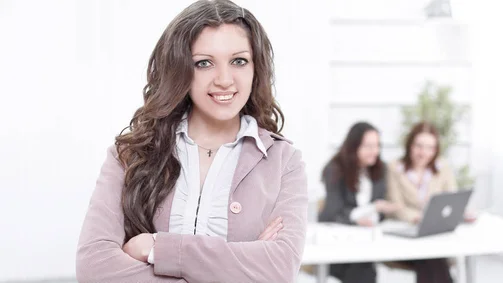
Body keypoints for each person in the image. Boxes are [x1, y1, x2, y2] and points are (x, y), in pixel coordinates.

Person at [76, 1, 308, 282]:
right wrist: (239, 265)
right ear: (180, 69)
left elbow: (279, 269)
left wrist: (158, 249)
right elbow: (95, 267)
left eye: (238, 60)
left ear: (255, 68)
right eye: (204, 63)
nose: (224, 80)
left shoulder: (284, 161)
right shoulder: (129, 154)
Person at [318, 122, 398, 283]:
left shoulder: (379, 169)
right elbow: (332, 212)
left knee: (365, 266)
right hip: (339, 243)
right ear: (354, 147)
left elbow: (380, 213)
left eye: (377, 146)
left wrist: (377, 213)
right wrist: (371, 210)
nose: (374, 151)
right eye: (368, 146)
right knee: (362, 269)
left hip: (368, 242)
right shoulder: (334, 169)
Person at [386, 121, 458, 283]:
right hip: (406, 236)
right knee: (430, 257)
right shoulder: (395, 168)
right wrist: (419, 218)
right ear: (410, 145)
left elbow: (452, 199)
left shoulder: (442, 167)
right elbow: (396, 207)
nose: (423, 153)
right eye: (419, 146)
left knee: (432, 256)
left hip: (436, 237)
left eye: (430, 148)